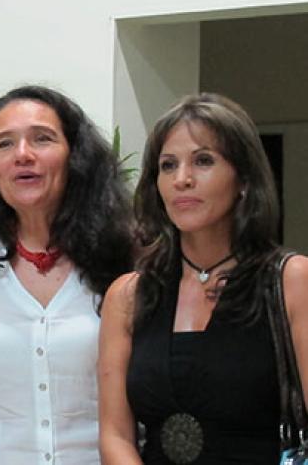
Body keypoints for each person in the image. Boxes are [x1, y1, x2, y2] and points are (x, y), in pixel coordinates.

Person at [98, 93, 308, 463]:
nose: (182, 179)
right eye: (168, 165)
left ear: (243, 179)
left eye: (203, 161)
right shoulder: (129, 295)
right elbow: (115, 435)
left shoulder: (291, 280)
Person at [0, 85, 134, 463]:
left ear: (74, 157)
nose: (23, 155)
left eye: (42, 139)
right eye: (5, 144)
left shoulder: (122, 259)